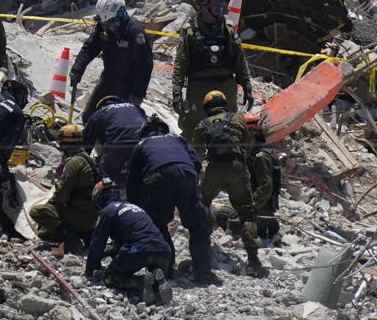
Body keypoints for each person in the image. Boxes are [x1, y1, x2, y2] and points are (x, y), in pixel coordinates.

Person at [127, 115, 220, 285]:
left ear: (144, 132)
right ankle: (203, 273)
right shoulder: (178, 139)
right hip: (187, 173)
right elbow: (196, 162)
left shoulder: (141, 144)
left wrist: (135, 208)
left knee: (157, 223)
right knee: (198, 223)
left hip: (159, 177)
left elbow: (132, 180)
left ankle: (165, 271)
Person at [194, 90, 268, 278]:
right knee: (245, 212)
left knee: (202, 205)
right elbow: (244, 140)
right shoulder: (238, 118)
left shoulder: (202, 125)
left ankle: (202, 247)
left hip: (214, 170)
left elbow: (196, 153)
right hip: (237, 168)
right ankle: (253, 261)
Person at [172, 0, 254, 140]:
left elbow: (240, 61)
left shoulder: (228, 29)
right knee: (193, 132)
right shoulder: (190, 31)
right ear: (204, 2)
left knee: (230, 131)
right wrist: (176, 93)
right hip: (198, 89)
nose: (222, 4)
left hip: (226, 87)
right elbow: (180, 65)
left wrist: (247, 87)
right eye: (217, 0)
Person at [85, 179, 173, 305]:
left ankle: (141, 282)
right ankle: (156, 281)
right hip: (164, 251)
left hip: (139, 249)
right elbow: (124, 243)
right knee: (142, 256)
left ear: (99, 198)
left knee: (111, 277)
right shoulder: (135, 208)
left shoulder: (108, 211)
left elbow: (97, 243)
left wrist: (90, 269)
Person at [70, 0, 153, 124]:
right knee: (89, 118)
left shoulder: (135, 32)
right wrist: (77, 69)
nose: (108, 26)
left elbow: (145, 65)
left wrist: (137, 95)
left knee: (117, 124)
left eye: (111, 22)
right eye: (106, 23)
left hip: (128, 87)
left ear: (121, 14)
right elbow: (90, 47)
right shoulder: (104, 28)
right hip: (108, 79)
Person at [28, 124, 100, 250]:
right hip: (91, 215)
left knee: (37, 212)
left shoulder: (73, 162)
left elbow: (61, 195)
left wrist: (49, 208)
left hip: (82, 215)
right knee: (44, 232)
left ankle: (71, 237)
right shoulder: (87, 158)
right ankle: (80, 233)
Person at [83, 95, 146, 190]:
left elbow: (85, 144)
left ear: (102, 106)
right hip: (145, 141)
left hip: (118, 142)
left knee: (104, 178)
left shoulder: (99, 113)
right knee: (140, 176)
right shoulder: (136, 108)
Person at [245, 113, 281, 240]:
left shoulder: (260, 157)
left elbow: (266, 186)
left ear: (252, 134)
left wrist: (251, 206)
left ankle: (268, 224)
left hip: (261, 206)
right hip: (260, 204)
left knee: (224, 215)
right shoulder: (255, 154)